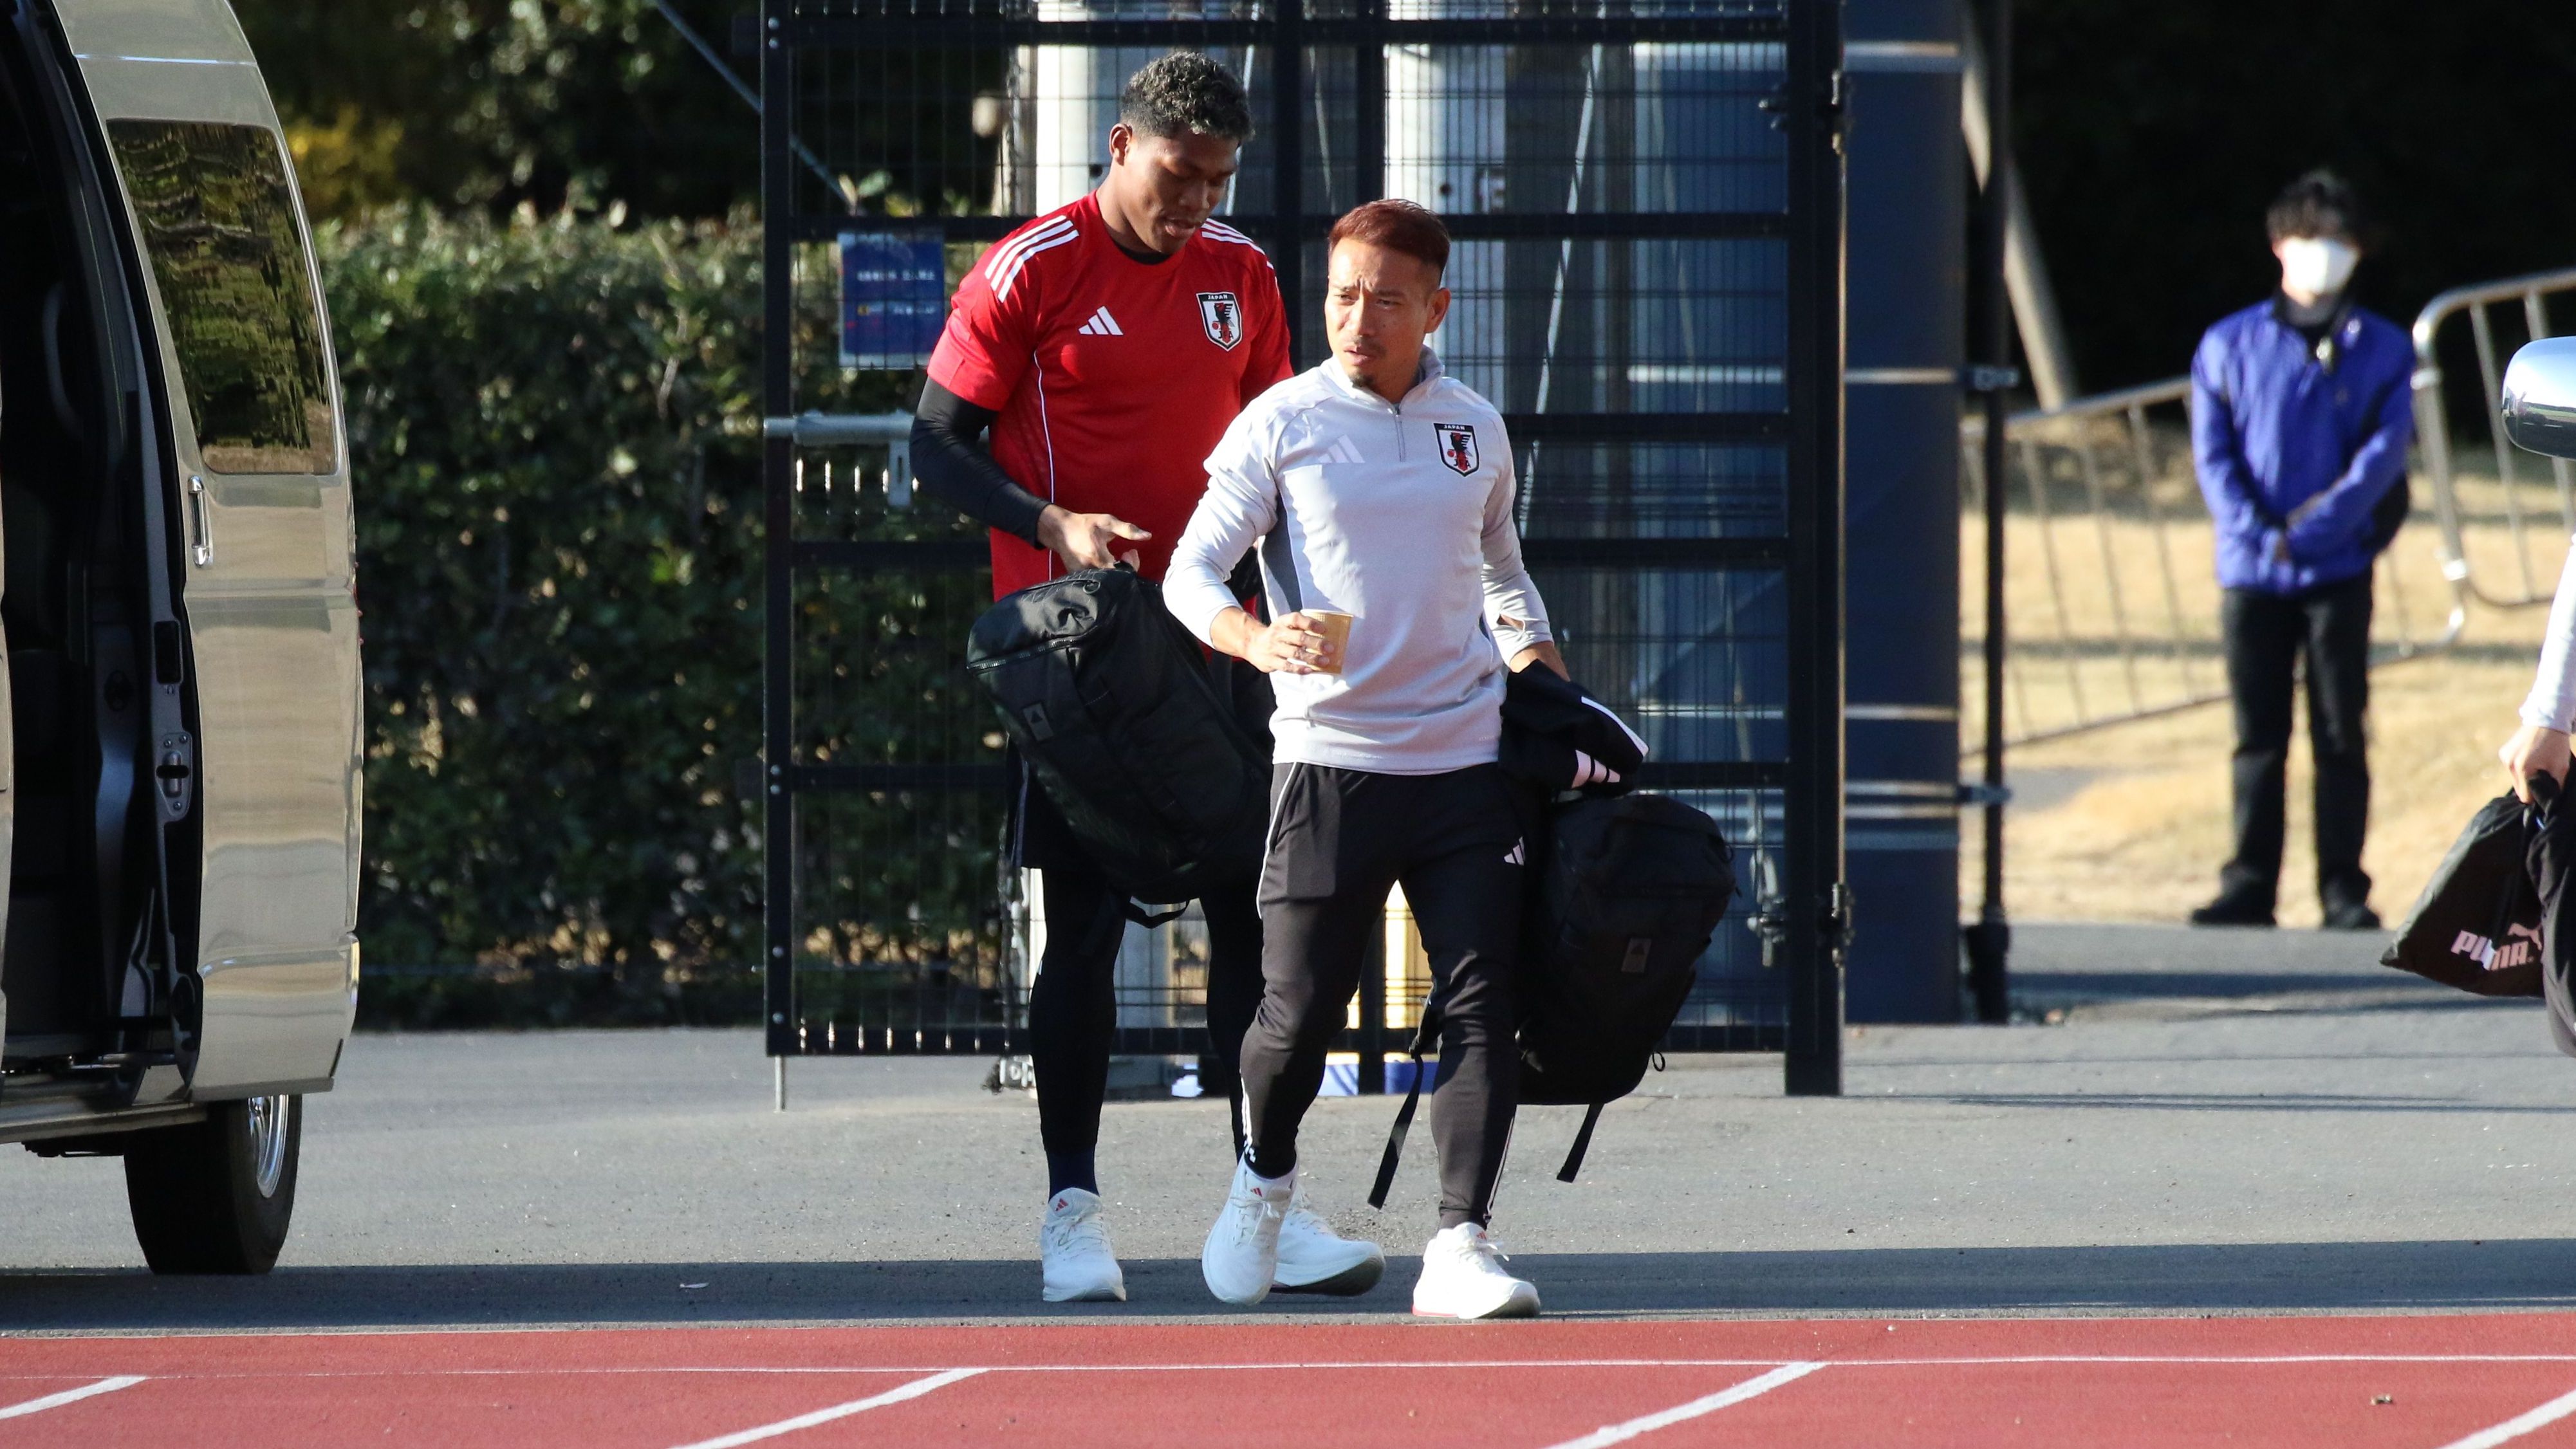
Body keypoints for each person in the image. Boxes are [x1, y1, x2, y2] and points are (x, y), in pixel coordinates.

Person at [911, 51, 1382, 1304]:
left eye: (1218, 180)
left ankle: (1260, 1208)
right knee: (1084, 926)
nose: (1195, 203)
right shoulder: (1032, 269)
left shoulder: (1239, 275)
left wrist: (1309, 613)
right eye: (1178, 176)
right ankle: (1073, 1214)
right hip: (1080, 653)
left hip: (1215, 638)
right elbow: (932, 446)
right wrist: (1047, 518)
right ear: (1122, 148)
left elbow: (1282, 456)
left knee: (1251, 913)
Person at [1165, 199, 1569, 1319]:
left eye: (1387, 298)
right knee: (1295, 1013)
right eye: (1342, 293)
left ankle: (1460, 1244)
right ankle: (1264, 1189)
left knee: (1486, 1006)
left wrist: (1544, 679)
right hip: (1326, 762)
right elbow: (1188, 573)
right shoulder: (1280, 421)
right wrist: (1253, 637)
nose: (1358, 317)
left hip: (1465, 765)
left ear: (1436, 309)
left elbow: (1503, 577)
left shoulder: (1472, 427)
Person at [2187, 170, 2413, 931]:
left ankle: (2342, 886)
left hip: (2337, 568)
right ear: (2279, 244)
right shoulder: (2229, 343)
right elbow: (2214, 459)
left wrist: (2312, 531)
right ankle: (2248, 881)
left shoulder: (2381, 347)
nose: (2325, 254)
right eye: (2312, 238)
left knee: (2340, 731)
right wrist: (2258, 533)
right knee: (2257, 734)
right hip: (2249, 572)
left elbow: (2382, 457)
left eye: (2340, 241)